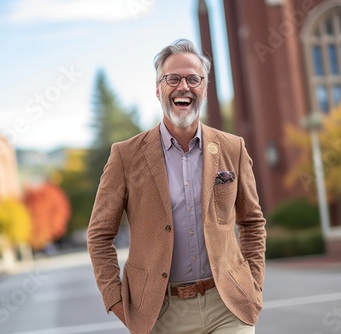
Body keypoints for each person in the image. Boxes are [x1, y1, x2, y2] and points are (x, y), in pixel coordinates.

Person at [87, 39, 266, 334]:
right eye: (173, 78)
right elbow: (99, 235)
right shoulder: (125, 156)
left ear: (204, 90)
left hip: (228, 307)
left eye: (193, 79)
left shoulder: (232, 148)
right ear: (158, 88)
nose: (183, 86)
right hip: (161, 314)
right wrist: (116, 300)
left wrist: (254, 285)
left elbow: (252, 223)